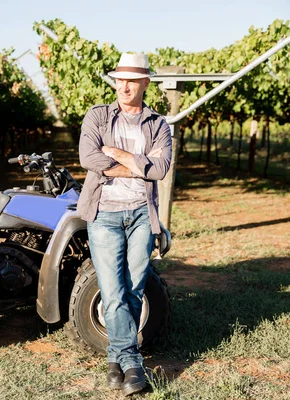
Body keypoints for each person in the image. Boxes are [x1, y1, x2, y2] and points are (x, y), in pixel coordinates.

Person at [77, 53, 172, 396]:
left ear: (146, 83)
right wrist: (138, 165)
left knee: (133, 289)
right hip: (104, 213)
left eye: (132, 80)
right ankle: (132, 363)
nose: (124, 86)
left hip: (141, 215)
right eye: (119, 79)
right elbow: (88, 158)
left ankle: (116, 356)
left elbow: (161, 170)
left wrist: (117, 155)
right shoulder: (98, 115)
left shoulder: (158, 124)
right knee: (113, 291)